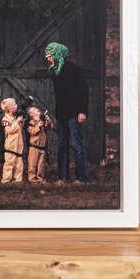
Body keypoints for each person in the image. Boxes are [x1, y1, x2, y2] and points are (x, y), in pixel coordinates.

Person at [44, 42, 90, 184]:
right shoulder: (55, 71)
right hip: (61, 114)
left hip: (74, 114)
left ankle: (81, 178)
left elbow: (84, 90)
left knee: (77, 146)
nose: (48, 58)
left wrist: (83, 111)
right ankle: (62, 177)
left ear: (58, 53)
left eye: (50, 55)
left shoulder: (73, 69)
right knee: (62, 146)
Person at [26, 107, 54, 183]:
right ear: (31, 114)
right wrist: (38, 126)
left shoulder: (43, 120)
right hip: (34, 147)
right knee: (32, 164)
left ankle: (40, 179)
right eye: (34, 109)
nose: (37, 109)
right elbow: (31, 132)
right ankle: (32, 179)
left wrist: (48, 120)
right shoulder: (31, 122)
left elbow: (50, 127)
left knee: (41, 165)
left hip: (42, 147)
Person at [0, 98, 25, 184]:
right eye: (15, 104)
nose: (16, 105)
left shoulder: (15, 117)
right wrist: (17, 122)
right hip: (10, 146)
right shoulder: (5, 119)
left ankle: (17, 180)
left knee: (19, 165)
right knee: (9, 164)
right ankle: (6, 180)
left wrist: (21, 120)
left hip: (19, 145)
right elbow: (10, 130)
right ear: (10, 109)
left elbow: (20, 126)